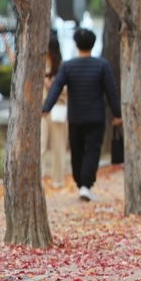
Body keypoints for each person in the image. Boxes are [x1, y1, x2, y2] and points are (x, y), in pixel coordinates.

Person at [41, 28, 122, 202]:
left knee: (77, 151)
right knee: (92, 150)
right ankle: (85, 185)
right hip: (96, 117)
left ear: (76, 45)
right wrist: (117, 114)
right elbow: (112, 91)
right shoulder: (102, 65)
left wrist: (46, 108)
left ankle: (82, 183)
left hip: (75, 117)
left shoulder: (68, 66)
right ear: (92, 45)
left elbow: (56, 88)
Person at [40, 31, 68, 188]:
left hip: (57, 110)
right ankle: (40, 177)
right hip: (41, 111)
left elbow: (67, 90)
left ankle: (58, 179)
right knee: (41, 144)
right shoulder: (37, 65)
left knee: (58, 145)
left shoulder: (62, 67)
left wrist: (54, 87)